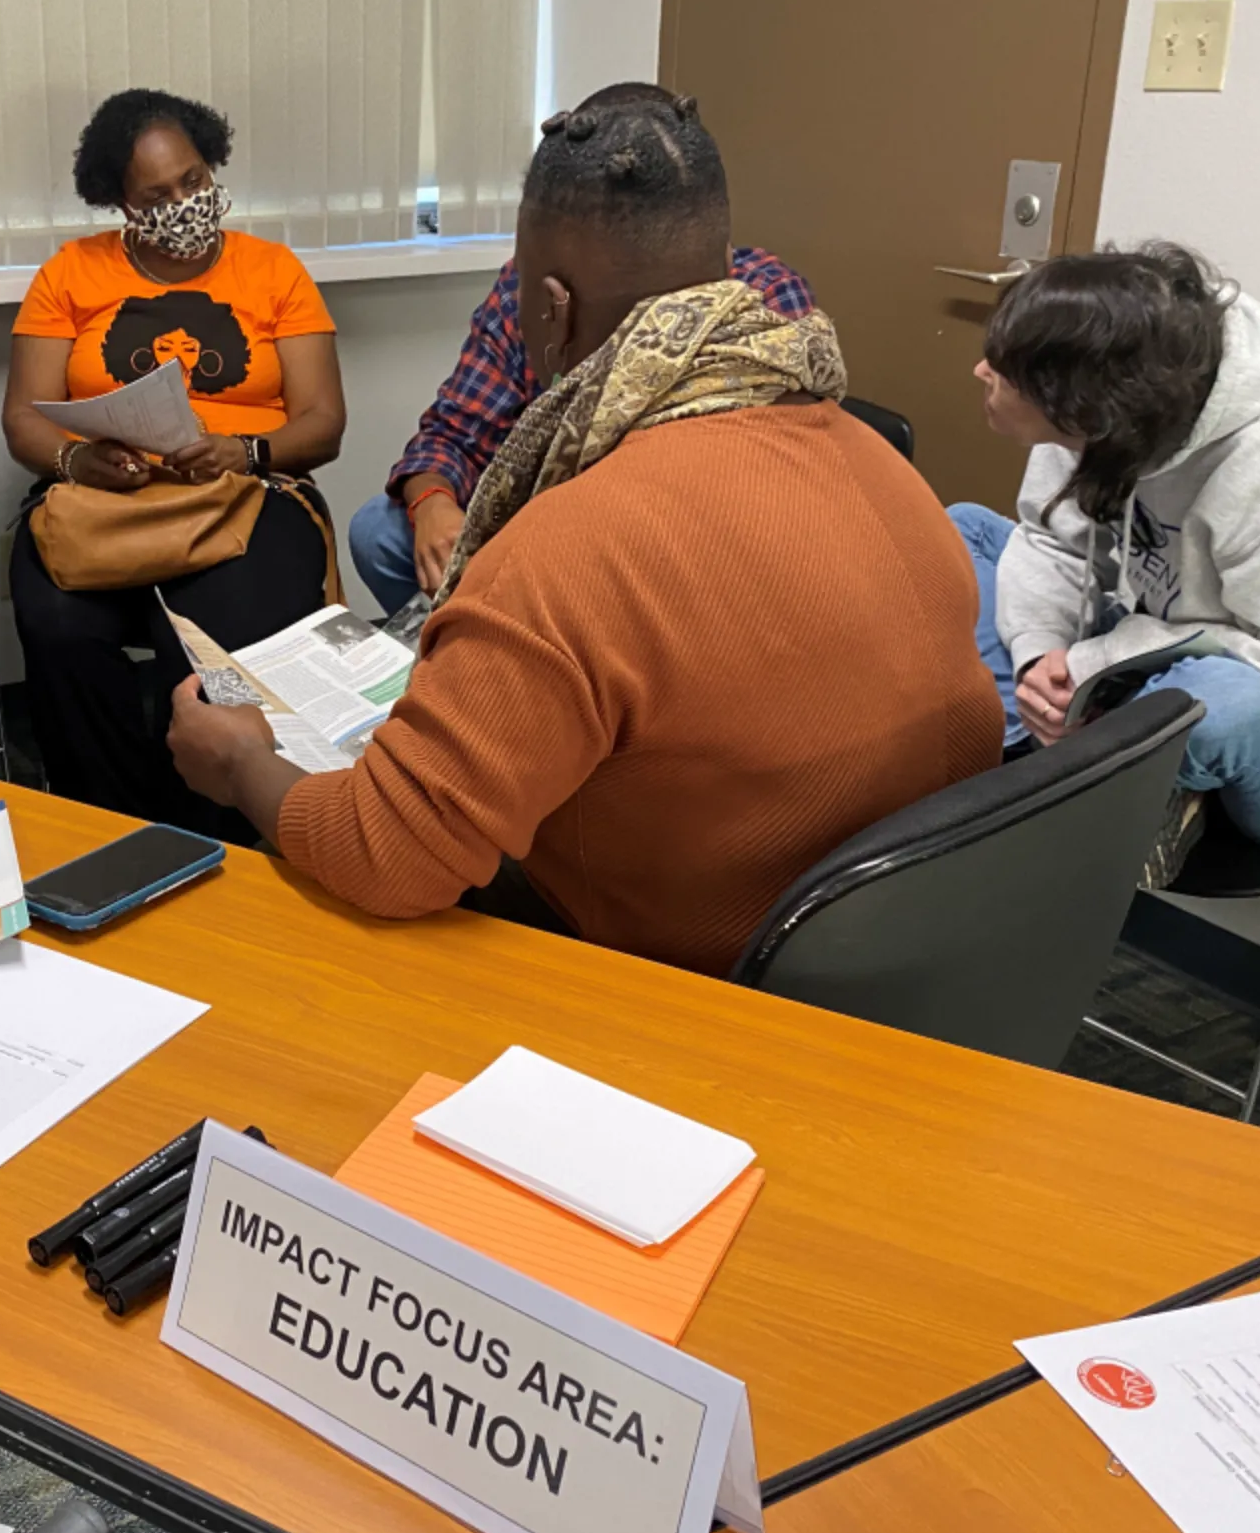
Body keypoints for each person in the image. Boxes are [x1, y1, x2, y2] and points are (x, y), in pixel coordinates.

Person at [167, 98, 1000, 976]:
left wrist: (242, 766)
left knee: (305, 880)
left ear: (553, 306)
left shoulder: (563, 551)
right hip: (893, 939)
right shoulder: (885, 467)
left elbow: (385, 855)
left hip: (687, 975)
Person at [950, 243, 1260, 880]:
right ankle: (1054, 738)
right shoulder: (1108, 412)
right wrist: (1040, 656)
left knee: (1212, 702)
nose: (980, 371)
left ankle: (1083, 772)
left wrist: (1096, 660)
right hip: (1165, 655)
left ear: (1083, 404)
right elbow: (1051, 541)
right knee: (964, 535)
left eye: (1006, 368)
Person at [2, 88, 347, 831]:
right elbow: (23, 420)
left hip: (246, 494)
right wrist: (74, 462)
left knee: (205, 643)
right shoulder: (70, 274)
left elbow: (323, 424)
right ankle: (113, 825)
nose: (182, 203)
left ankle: (227, 828)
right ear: (121, 205)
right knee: (59, 625)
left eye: (193, 181)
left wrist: (245, 450)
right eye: (155, 195)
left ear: (213, 167)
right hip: (107, 501)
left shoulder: (274, 271)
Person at [347, 82, 814, 616]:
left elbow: (766, 499)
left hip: (684, 547)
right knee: (379, 531)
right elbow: (452, 434)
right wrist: (432, 504)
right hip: (549, 521)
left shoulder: (765, 307)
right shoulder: (521, 291)